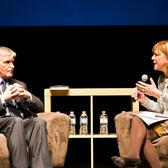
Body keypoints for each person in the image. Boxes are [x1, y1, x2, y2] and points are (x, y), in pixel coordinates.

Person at [111, 40, 168, 168]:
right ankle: (133, 156)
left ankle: (131, 157)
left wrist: (157, 94)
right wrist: (144, 100)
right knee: (139, 127)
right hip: (165, 121)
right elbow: (161, 109)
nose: (152, 58)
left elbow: (162, 98)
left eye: (157, 55)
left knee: (139, 129)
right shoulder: (162, 79)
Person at [0, 46, 52, 168]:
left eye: (12, 62)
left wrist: (28, 96)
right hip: (4, 121)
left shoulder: (19, 84)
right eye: (7, 62)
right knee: (15, 121)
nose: (12, 66)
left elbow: (41, 108)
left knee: (37, 122)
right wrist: (3, 98)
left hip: (18, 123)